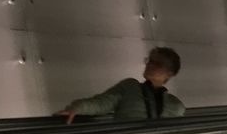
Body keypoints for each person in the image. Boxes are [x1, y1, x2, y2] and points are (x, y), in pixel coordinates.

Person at [56, 47, 186, 123]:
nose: (149, 65)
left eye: (157, 64)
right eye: (150, 61)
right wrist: (76, 108)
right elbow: (102, 103)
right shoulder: (129, 87)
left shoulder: (176, 106)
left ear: (169, 73)